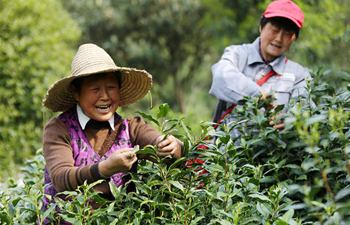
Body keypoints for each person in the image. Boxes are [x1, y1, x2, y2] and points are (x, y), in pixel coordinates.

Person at [42, 43, 183, 211]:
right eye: (95, 89)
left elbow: (161, 146)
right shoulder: (59, 129)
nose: (105, 96)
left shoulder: (131, 127)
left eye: (111, 87)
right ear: (76, 93)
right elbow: (61, 178)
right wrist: (104, 169)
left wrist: (173, 146)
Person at [209, 0, 311, 128]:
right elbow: (221, 77)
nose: (279, 38)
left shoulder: (300, 75)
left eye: (287, 33)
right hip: (226, 147)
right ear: (261, 27)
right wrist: (260, 97)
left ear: (293, 38)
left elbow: (302, 115)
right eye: (274, 29)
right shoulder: (237, 54)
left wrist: (291, 123)